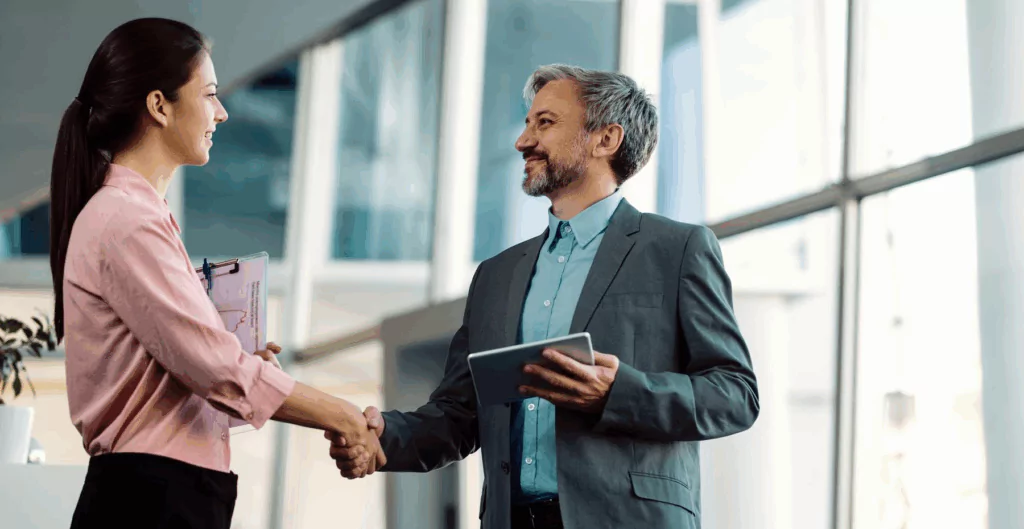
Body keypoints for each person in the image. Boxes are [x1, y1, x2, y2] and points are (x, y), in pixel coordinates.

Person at [328, 64, 760, 529]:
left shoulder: (677, 250)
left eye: (545, 123)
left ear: (605, 139)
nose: (523, 141)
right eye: (528, 123)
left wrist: (620, 392)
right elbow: (459, 413)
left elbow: (735, 394)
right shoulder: (496, 275)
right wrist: (385, 439)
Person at [50, 18, 383, 529]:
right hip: (150, 499)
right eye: (209, 95)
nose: (222, 113)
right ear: (160, 106)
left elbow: (199, 370)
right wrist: (340, 415)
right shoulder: (126, 219)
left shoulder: (133, 216)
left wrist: (240, 361)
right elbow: (217, 370)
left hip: (158, 492)